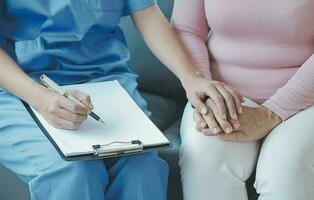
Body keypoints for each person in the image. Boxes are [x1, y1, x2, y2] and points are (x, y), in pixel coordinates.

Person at [0, 1, 243, 200]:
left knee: (142, 168)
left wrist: (191, 78)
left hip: (106, 83)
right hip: (19, 86)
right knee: (72, 171)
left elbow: (147, 13)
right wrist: (40, 98)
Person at [172, 0, 314, 199]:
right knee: (204, 158)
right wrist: (206, 92)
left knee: (288, 163)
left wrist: (272, 112)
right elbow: (186, 29)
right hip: (224, 93)